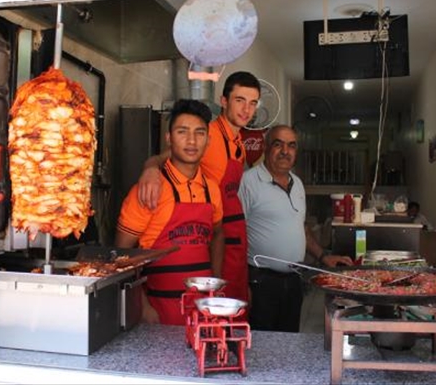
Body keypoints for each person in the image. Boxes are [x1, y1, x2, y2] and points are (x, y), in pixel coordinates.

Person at [137, 71, 261, 302]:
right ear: (224, 102)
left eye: (252, 103)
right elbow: (163, 157)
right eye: (239, 101)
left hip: (233, 241)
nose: (246, 110)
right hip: (213, 240)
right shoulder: (209, 134)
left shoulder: (239, 143)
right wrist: (150, 168)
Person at [115, 99, 225, 325]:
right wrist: (142, 306)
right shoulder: (148, 190)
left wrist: (214, 281)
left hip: (201, 312)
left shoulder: (212, 189)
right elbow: (120, 255)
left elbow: (218, 233)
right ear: (169, 139)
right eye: (182, 132)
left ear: (208, 140)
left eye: (199, 133)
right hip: (158, 312)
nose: (192, 141)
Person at [239, 125, 353, 332]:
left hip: (293, 281)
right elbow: (235, 235)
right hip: (260, 281)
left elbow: (301, 227)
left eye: (291, 146)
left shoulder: (297, 183)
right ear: (266, 147)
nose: (285, 151)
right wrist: (241, 283)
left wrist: (323, 256)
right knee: (261, 345)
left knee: (290, 341)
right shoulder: (248, 182)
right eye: (278, 144)